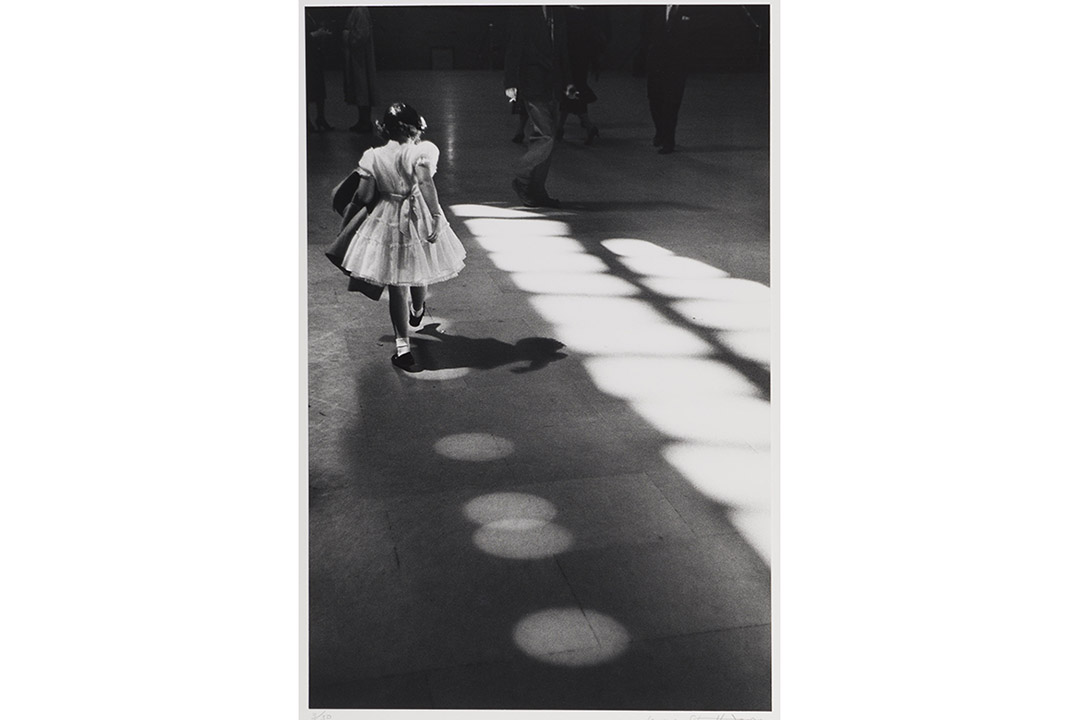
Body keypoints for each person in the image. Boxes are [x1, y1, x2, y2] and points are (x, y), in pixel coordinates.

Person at [337, 103, 467, 372]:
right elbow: (424, 182)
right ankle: (418, 311)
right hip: (416, 212)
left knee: (397, 283)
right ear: (415, 128)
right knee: (419, 266)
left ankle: (403, 347)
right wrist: (435, 215)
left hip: (387, 215)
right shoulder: (421, 151)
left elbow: (362, 195)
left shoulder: (372, 156)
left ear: (385, 129)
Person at [504, 6, 574, 208]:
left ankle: (537, 190)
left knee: (546, 141)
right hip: (532, 83)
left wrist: (569, 82)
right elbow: (514, 45)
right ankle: (521, 177)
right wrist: (510, 82)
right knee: (547, 136)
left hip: (554, 84)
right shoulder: (524, 10)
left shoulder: (557, 11)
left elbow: (563, 50)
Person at [641, 5, 694, 154]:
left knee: (672, 103)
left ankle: (669, 141)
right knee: (654, 99)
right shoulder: (653, 8)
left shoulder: (690, 8)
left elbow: (695, 36)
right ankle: (660, 131)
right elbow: (645, 32)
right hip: (656, 62)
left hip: (678, 65)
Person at [555, 5, 607, 146]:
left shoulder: (567, 12)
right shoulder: (587, 12)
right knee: (573, 90)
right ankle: (562, 127)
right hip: (580, 56)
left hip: (572, 56)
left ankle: (586, 126)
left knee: (571, 90)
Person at [343, 7, 378, 133]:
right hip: (358, 58)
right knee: (360, 89)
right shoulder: (358, 9)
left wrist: (347, 36)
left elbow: (362, 34)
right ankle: (362, 120)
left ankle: (365, 121)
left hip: (360, 59)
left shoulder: (360, 9)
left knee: (362, 89)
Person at [306, 9, 334, 132]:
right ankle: (307, 121)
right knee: (308, 90)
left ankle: (320, 118)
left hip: (314, 58)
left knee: (319, 91)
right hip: (307, 58)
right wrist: (315, 35)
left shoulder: (309, 14)